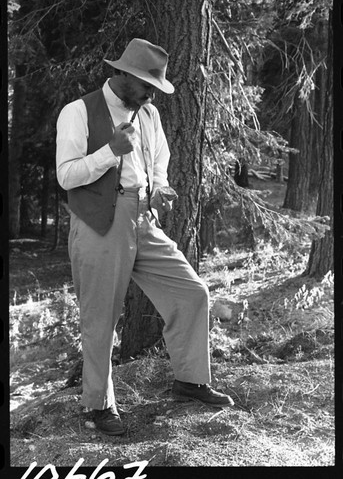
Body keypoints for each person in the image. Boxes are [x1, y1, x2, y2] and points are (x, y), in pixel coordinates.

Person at [56, 38, 233, 436]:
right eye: (146, 85)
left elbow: (158, 162)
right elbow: (65, 175)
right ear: (122, 75)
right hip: (100, 222)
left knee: (193, 292)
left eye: (154, 86)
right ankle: (99, 404)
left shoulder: (148, 114)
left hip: (142, 217)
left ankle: (189, 380)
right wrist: (109, 151)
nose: (152, 93)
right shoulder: (78, 111)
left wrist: (159, 189)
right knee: (101, 318)